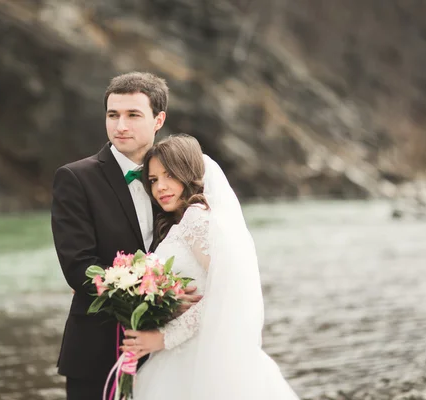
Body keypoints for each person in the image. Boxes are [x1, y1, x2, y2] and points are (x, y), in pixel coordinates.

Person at [51, 73, 202, 399]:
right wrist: (165, 299)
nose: (120, 125)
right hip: (97, 352)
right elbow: (79, 268)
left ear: (158, 119)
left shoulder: (174, 178)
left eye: (133, 115)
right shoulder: (75, 179)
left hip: (171, 351)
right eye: (112, 115)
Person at [122, 135, 300, 399]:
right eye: (153, 180)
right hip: (182, 354)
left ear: (188, 173)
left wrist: (164, 338)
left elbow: (226, 293)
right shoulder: (179, 223)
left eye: (169, 175)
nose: (160, 187)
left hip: (199, 356)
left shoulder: (197, 219)